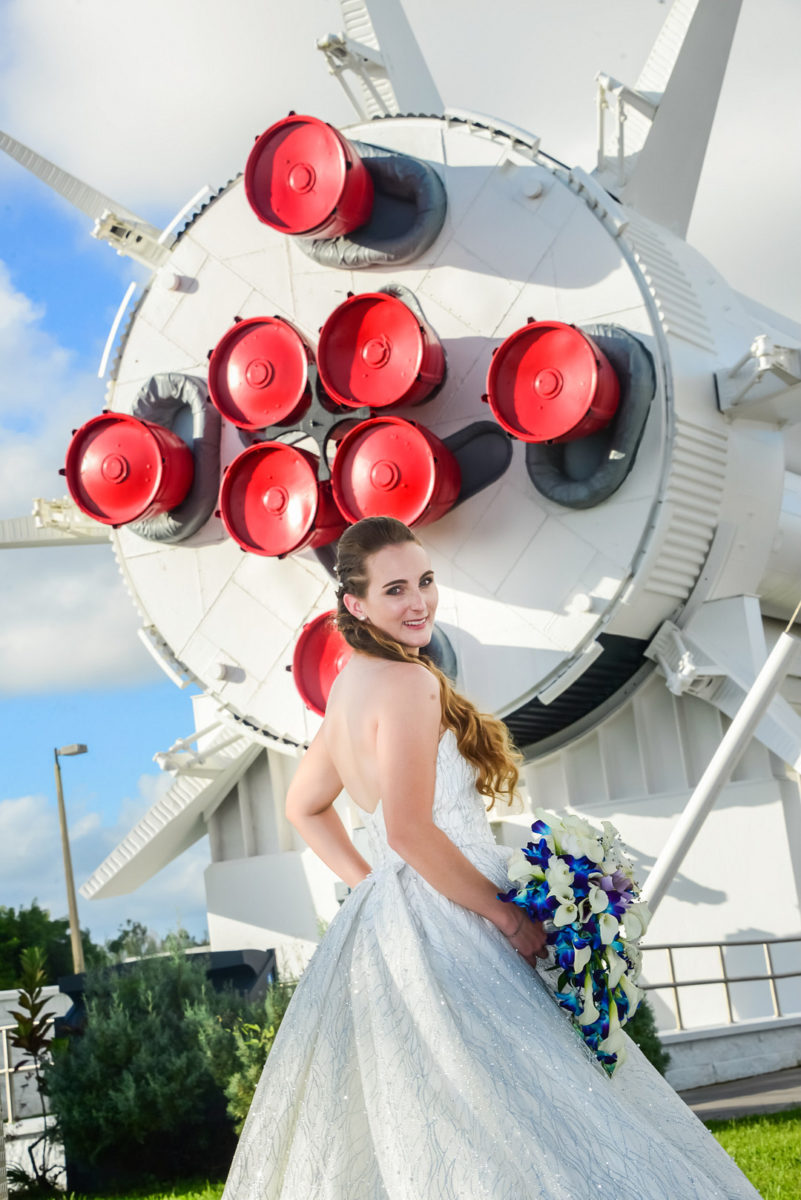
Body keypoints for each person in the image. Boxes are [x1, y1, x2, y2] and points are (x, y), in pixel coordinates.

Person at [223, 516, 760, 1200]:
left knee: (449, 1109)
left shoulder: (349, 688)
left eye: (424, 581)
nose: (418, 602)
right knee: (539, 1098)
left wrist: (376, 889)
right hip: (459, 917)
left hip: (394, 921)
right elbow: (410, 830)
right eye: (395, 590)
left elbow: (306, 807)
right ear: (355, 605)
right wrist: (505, 917)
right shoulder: (407, 684)